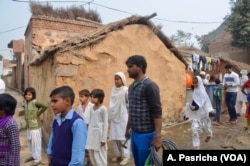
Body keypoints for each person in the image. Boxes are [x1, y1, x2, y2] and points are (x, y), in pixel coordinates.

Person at [125, 55, 163, 166]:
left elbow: (157, 112)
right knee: (138, 163)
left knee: (147, 164)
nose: (128, 69)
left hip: (146, 136)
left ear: (140, 67)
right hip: (134, 134)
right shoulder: (131, 87)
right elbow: (132, 110)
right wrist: (128, 128)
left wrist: (158, 137)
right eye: (128, 67)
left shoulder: (150, 86)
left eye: (131, 66)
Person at [47, 86, 87, 166]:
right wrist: (49, 156)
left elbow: (78, 154)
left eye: (55, 101)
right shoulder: (56, 120)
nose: (52, 104)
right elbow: (52, 141)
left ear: (67, 101)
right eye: (51, 101)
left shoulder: (77, 123)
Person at [185, 76, 213, 150]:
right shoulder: (195, 89)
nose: (194, 84)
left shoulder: (202, 92)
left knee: (205, 127)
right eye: (193, 83)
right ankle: (196, 146)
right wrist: (192, 106)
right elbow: (195, 99)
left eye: (196, 83)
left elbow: (201, 103)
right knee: (194, 129)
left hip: (203, 113)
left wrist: (195, 107)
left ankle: (209, 134)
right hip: (196, 114)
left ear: (199, 82)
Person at [109, 72, 130, 166]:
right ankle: (118, 154)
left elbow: (129, 104)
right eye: (115, 79)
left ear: (122, 80)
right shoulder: (113, 90)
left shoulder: (126, 90)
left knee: (123, 137)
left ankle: (126, 156)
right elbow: (111, 104)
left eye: (118, 79)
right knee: (114, 137)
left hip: (123, 116)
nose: (116, 81)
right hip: (114, 116)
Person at [23, 87, 48, 166]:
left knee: (36, 143)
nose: (27, 96)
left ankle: (38, 159)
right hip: (29, 126)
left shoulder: (35, 102)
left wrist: (38, 114)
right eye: (26, 94)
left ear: (33, 95)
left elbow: (45, 106)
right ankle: (33, 156)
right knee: (30, 142)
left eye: (29, 95)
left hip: (35, 126)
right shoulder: (25, 102)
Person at [85, 89, 108, 166]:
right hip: (91, 134)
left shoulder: (103, 109)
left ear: (100, 98)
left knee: (99, 154)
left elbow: (106, 124)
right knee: (92, 153)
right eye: (91, 97)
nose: (92, 99)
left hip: (99, 135)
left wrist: (103, 138)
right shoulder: (91, 108)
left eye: (94, 97)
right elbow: (91, 122)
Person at [0, 93, 20, 166]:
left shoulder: (11, 124)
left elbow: (15, 147)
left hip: (6, 161)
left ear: (3, 109)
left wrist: (13, 164)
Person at [76, 89, 93, 166]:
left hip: (89, 127)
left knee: (89, 146)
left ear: (87, 97)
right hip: (82, 128)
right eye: (79, 96)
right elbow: (77, 116)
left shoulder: (91, 106)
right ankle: (85, 162)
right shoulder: (79, 106)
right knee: (82, 145)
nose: (80, 98)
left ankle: (91, 161)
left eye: (82, 96)